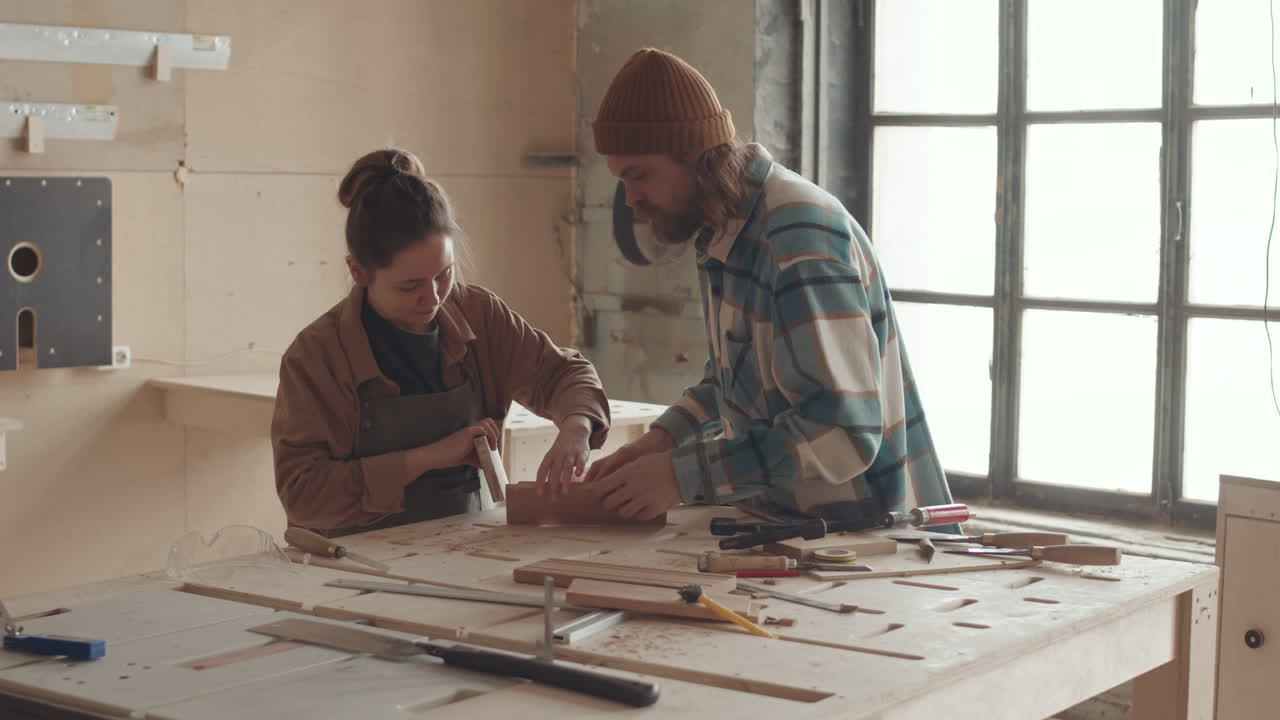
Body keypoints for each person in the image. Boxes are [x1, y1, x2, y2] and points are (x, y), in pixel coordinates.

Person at [579, 48, 956, 529]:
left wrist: (681, 476)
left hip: (869, 541)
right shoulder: (725, 230)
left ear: (693, 153)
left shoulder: (797, 240)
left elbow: (843, 432)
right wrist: (660, 443)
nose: (631, 198)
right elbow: (732, 383)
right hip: (790, 526)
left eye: (639, 175)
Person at [272, 148, 611, 536]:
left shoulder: (477, 313)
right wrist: (428, 458)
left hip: (461, 546)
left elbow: (565, 373)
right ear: (358, 270)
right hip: (353, 563)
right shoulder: (317, 355)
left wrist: (576, 429)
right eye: (410, 286)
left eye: (443, 275)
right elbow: (303, 494)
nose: (433, 298)